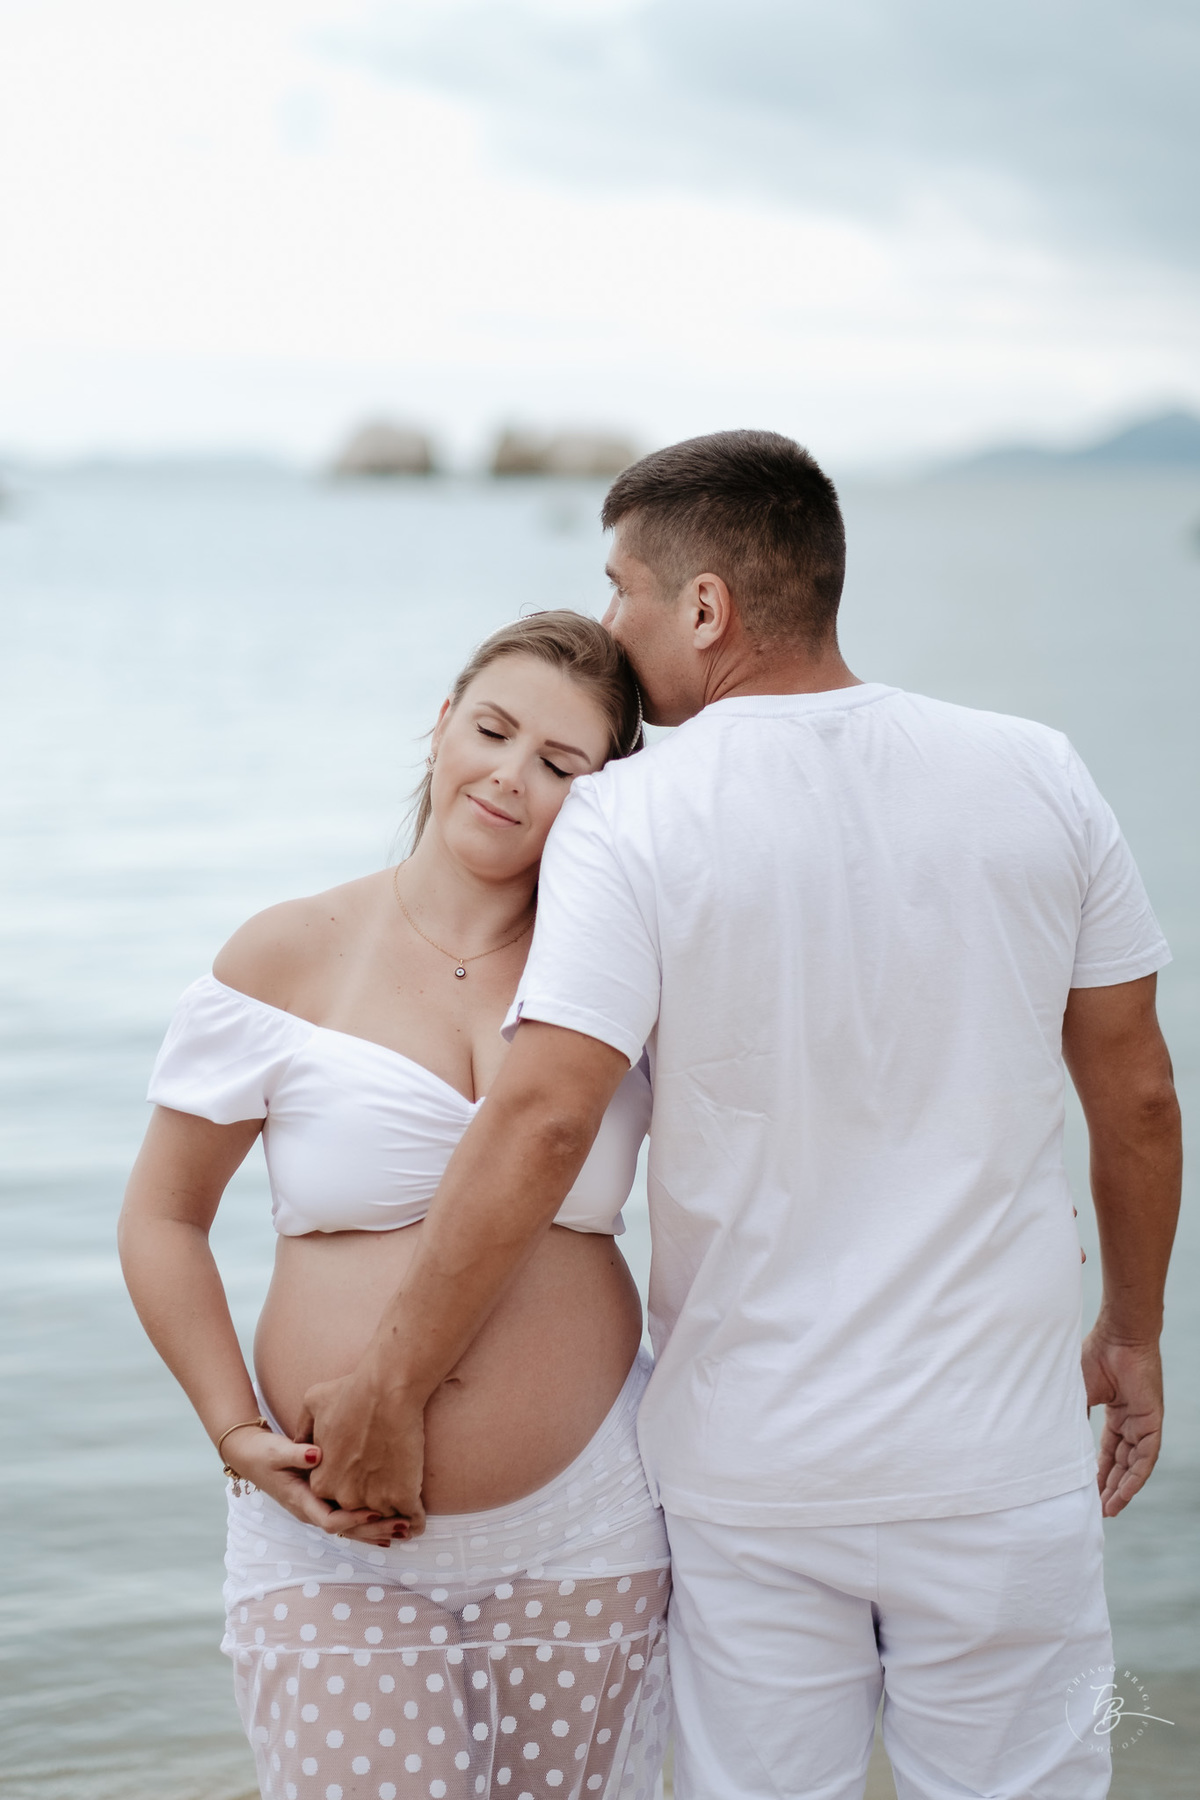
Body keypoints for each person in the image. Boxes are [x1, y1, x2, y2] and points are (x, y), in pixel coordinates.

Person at [303, 430, 1182, 1800]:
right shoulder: (1040, 772)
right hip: (1000, 1453)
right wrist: (1131, 1332)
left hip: (751, 1470)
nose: (611, 621)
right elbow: (1135, 1093)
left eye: (623, 588)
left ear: (704, 606)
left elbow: (543, 1123)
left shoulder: (629, 818)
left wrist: (390, 1386)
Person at [118, 613, 671, 1800]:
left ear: (601, 796)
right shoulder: (289, 952)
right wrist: (232, 1430)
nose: (510, 777)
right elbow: (164, 1218)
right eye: (493, 731)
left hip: (588, 1522)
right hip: (330, 1539)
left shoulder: (618, 972)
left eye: (559, 763)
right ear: (442, 723)